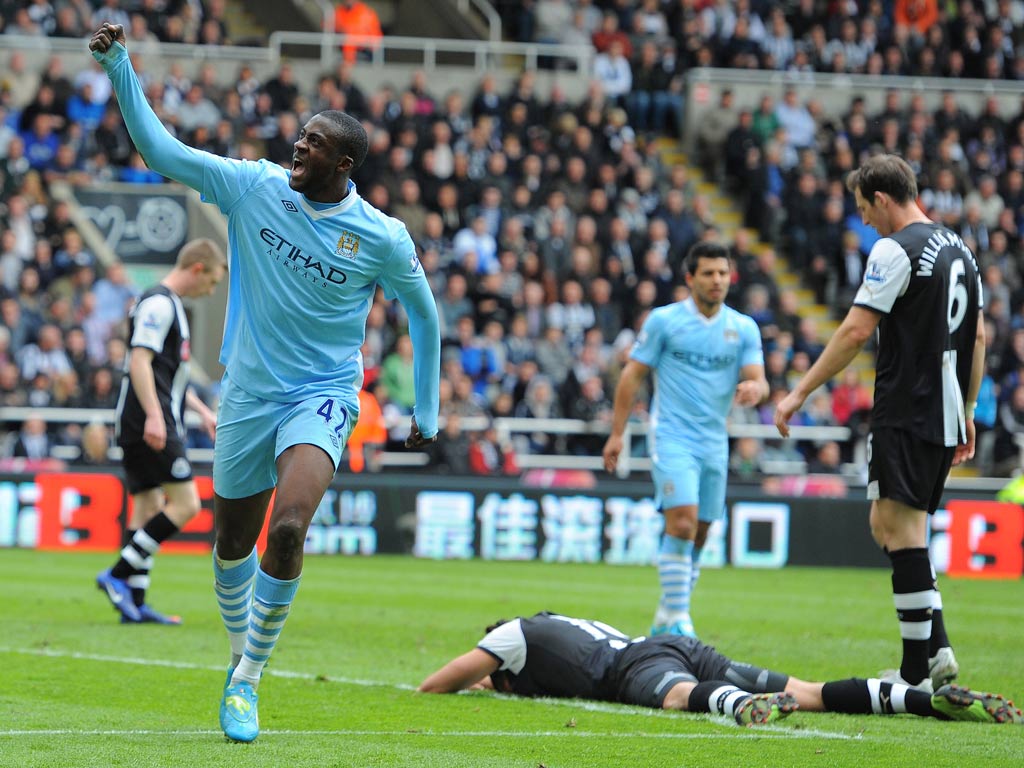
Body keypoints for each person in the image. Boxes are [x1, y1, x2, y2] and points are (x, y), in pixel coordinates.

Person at [89, 23, 440, 743]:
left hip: (323, 394)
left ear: (344, 162)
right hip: (247, 394)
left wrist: (427, 409)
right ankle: (236, 655)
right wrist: (122, 65)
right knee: (230, 546)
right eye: (300, 136)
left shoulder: (382, 236)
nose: (297, 146)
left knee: (288, 527)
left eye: (313, 142)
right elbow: (160, 150)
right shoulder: (253, 187)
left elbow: (425, 318)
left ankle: (248, 677)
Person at [774, 155, 985, 694]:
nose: (864, 220)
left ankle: (921, 668)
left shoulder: (896, 250)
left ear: (883, 198)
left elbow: (853, 332)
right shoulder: (961, 248)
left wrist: (800, 390)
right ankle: (933, 649)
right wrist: (967, 408)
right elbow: (978, 339)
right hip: (941, 410)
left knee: (902, 531)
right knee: (885, 525)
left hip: (907, 407)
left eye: (864, 208)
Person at [418, 611, 1021, 726]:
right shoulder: (551, 623)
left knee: (681, 699)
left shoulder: (509, 638)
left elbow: (435, 685)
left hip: (637, 665)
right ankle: (923, 701)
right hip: (677, 643)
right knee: (807, 692)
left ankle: (737, 708)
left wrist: (485, 683)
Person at [602, 242, 768, 639]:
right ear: (690, 278)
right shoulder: (664, 321)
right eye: (709, 273)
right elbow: (632, 376)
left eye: (723, 273)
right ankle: (678, 618)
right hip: (672, 434)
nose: (717, 281)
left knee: (702, 530)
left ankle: (666, 614)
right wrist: (617, 434)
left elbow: (758, 378)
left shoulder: (742, 327)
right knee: (682, 521)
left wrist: (754, 390)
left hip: (714, 439)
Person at [95, 238, 226, 626]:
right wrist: (154, 415)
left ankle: (133, 603)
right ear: (198, 268)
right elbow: (139, 361)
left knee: (148, 508)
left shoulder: (170, 307)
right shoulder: (159, 303)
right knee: (186, 505)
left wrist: (201, 410)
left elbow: (171, 378)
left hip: (147, 418)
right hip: (147, 421)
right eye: (213, 282)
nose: (211, 291)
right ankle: (117, 575)